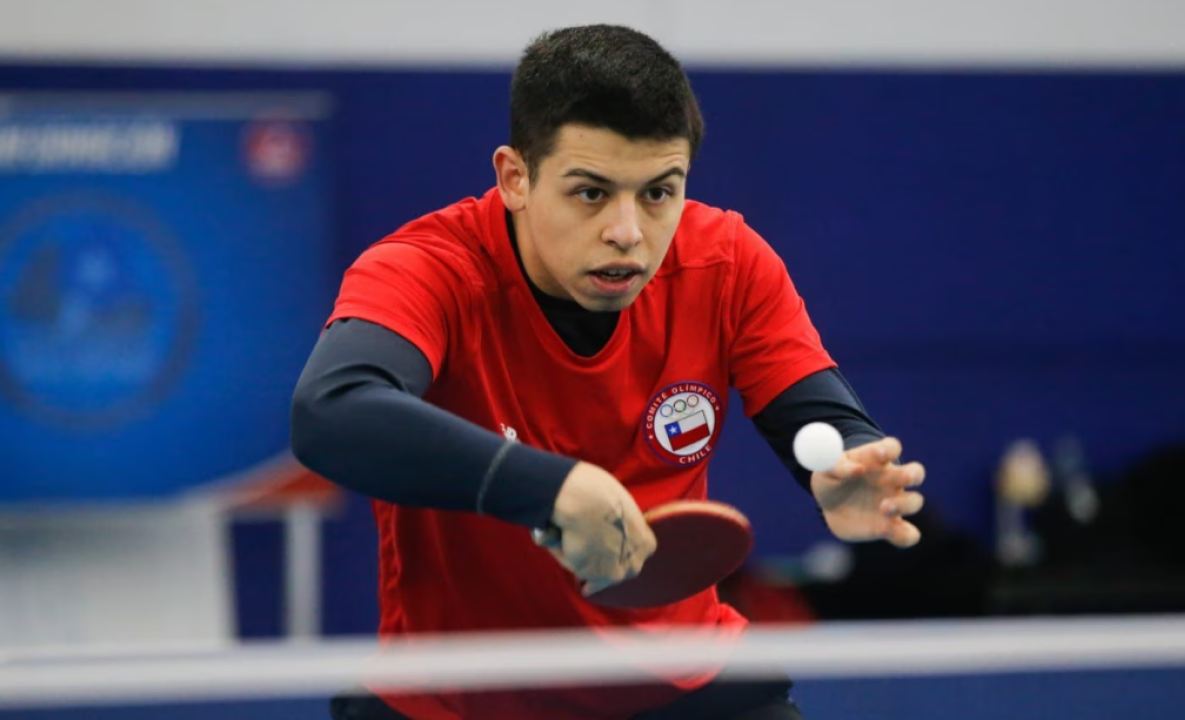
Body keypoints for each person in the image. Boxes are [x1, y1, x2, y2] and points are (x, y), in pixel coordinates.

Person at [291, 23, 926, 720]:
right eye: (591, 192)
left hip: (682, 685)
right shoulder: (427, 271)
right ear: (515, 178)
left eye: (658, 193)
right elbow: (332, 412)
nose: (628, 232)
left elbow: (817, 411)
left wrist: (849, 464)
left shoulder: (727, 262)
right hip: (460, 697)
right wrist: (550, 487)